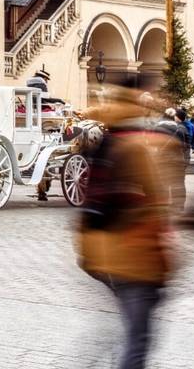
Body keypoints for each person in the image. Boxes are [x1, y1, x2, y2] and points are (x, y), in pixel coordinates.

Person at [75, 87, 183, 369]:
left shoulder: (105, 143)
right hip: (134, 257)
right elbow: (156, 201)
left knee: (127, 330)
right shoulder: (136, 147)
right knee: (138, 339)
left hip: (101, 251)